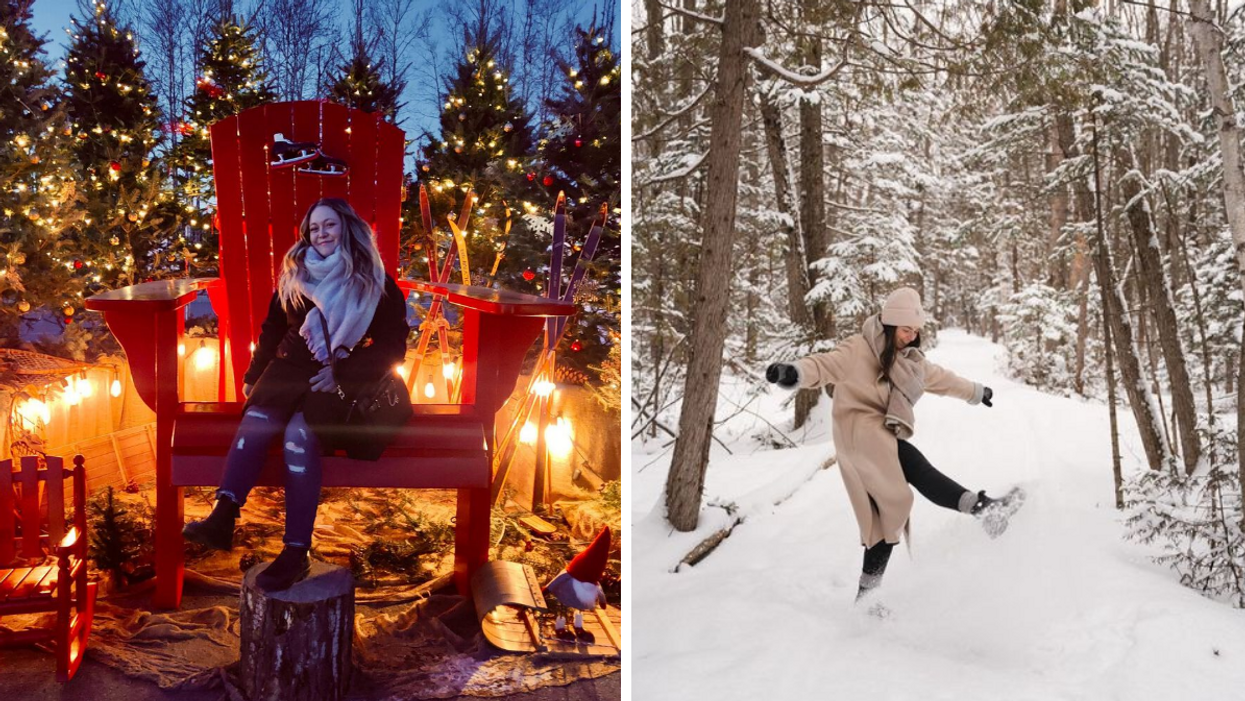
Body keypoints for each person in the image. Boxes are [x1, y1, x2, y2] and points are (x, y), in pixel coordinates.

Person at [183, 198, 410, 592]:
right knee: (256, 421)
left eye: (329, 225)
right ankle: (223, 515)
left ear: (347, 228)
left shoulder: (374, 280)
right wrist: (254, 376)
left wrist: (343, 375)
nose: (321, 234)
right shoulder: (296, 273)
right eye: (314, 228)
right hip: (286, 370)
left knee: (297, 437)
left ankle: (296, 551)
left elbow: (393, 346)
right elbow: (273, 328)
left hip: (335, 378)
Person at [765, 287, 1023, 605]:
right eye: (905, 330)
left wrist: (976, 391)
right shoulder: (858, 349)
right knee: (908, 484)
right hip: (858, 435)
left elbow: (940, 378)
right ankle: (984, 510)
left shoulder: (907, 360)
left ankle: (867, 597)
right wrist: (792, 371)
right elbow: (824, 365)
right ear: (889, 325)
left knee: (888, 510)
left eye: (915, 331)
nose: (910, 337)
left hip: (881, 434)